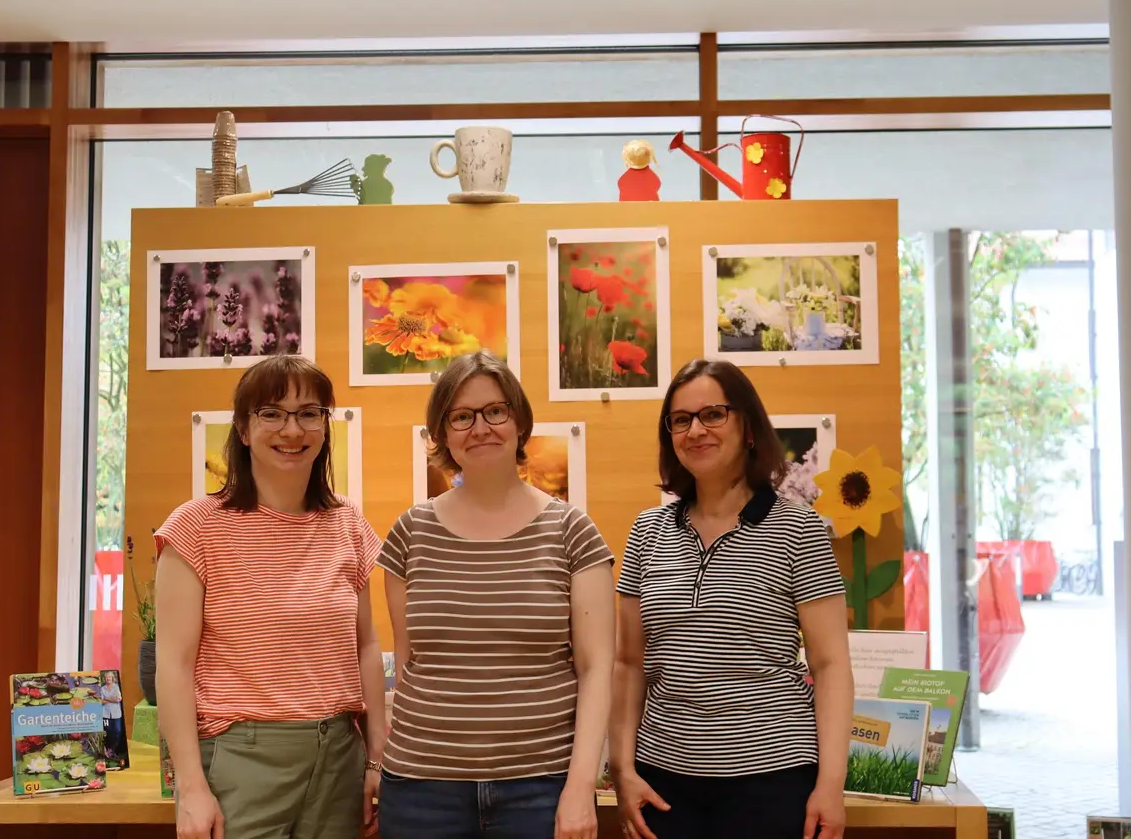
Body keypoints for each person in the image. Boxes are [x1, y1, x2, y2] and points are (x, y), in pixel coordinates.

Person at [609, 358, 855, 839]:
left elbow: (830, 665)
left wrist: (831, 782)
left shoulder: (798, 528)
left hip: (774, 777)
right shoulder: (648, 532)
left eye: (713, 414)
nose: (696, 430)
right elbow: (628, 663)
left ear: (747, 427)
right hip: (663, 779)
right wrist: (621, 769)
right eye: (681, 420)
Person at [376, 350, 615, 839]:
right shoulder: (410, 532)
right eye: (461, 416)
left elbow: (596, 668)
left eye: (495, 411)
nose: (480, 427)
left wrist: (578, 785)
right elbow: (409, 660)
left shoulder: (572, 530)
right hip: (422, 789)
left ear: (519, 420)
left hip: (541, 789)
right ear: (441, 433)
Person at [154, 354, 387, 839]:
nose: (292, 429)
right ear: (243, 429)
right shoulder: (196, 527)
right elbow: (173, 667)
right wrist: (192, 788)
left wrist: (376, 761)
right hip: (241, 757)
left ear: (325, 426)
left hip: (340, 755)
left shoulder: (348, 522)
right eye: (272, 413)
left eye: (308, 413)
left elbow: (365, 647)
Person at [98, 671, 126, 763]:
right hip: (105, 714)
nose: (108, 679)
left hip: (116, 714)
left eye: (109, 677)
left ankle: (112, 750)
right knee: (108, 732)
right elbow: (101, 701)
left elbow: (118, 699)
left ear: (112, 678)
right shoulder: (102, 689)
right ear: (104, 679)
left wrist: (106, 699)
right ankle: (107, 751)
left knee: (117, 732)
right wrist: (111, 699)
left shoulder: (116, 687)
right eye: (106, 678)